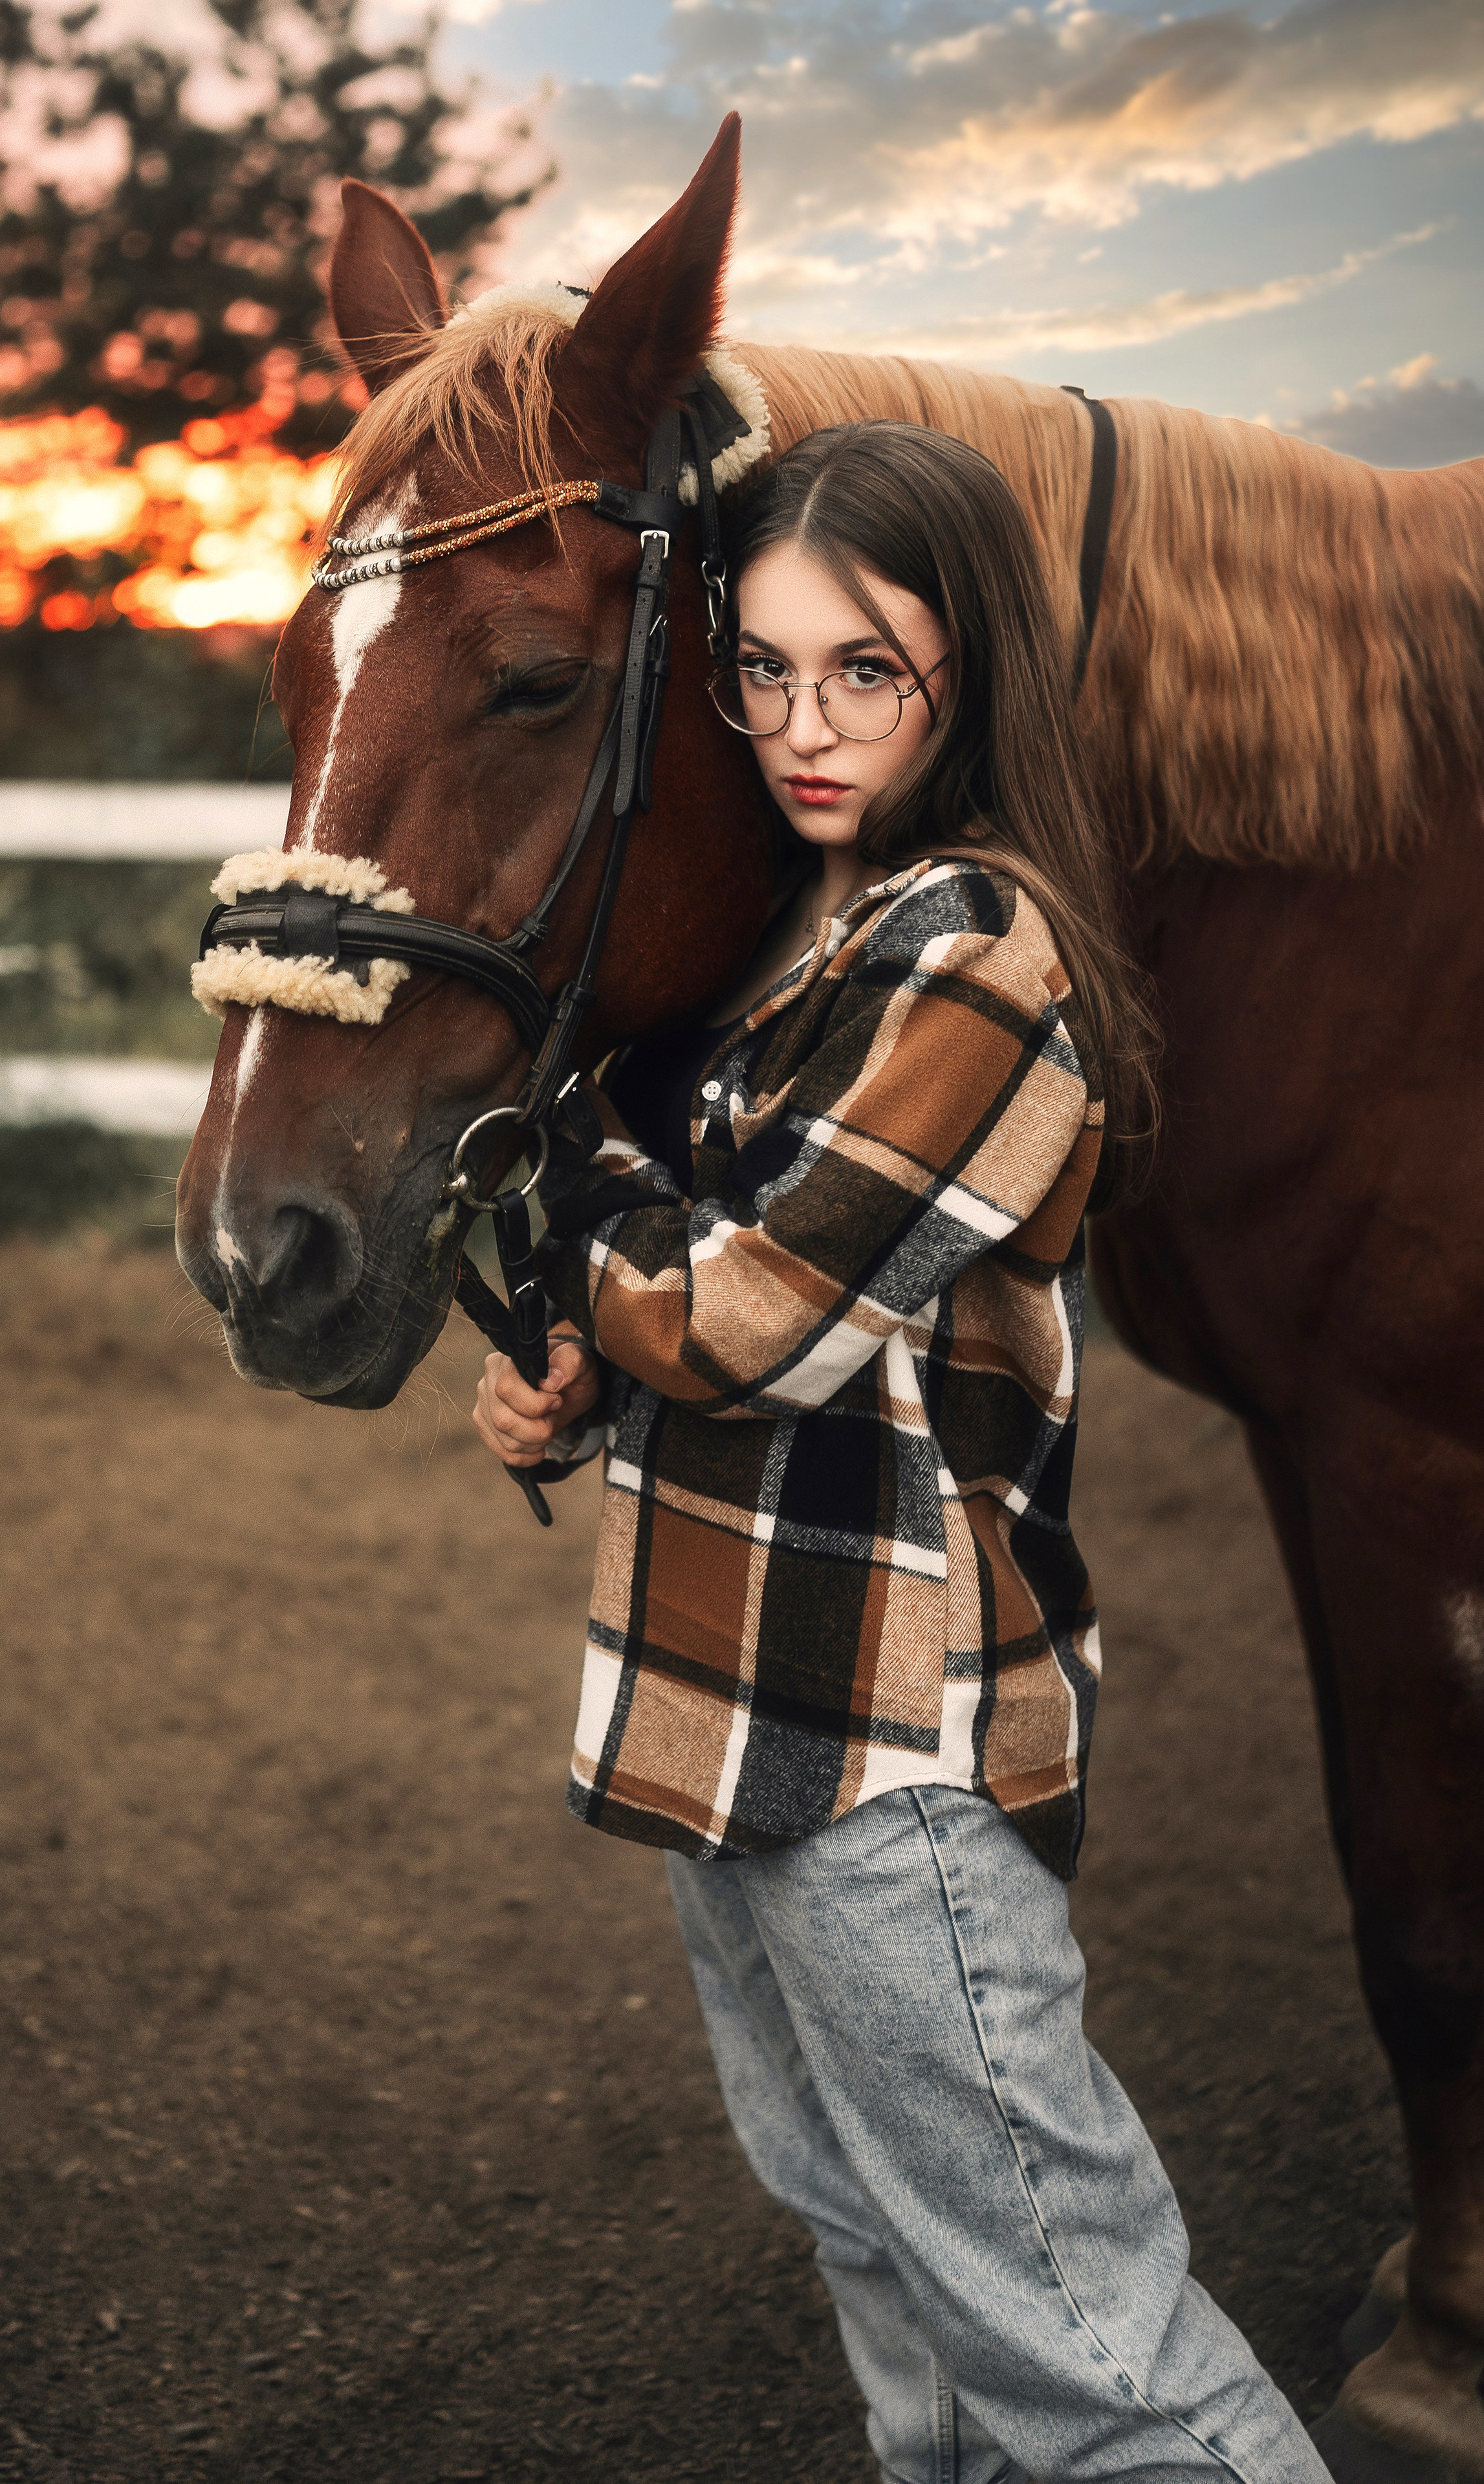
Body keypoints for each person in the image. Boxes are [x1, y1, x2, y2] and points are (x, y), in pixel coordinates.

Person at [471, 421, 1327, 2484]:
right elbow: (718, 1302)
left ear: (977, 665)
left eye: (865, 670)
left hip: (890, 1759)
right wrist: (574, 1372)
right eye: (760, 673)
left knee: (1084, 2351)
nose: (802, 727)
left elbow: (748, 1320)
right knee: (888, 2270)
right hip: (730, 1705)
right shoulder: (798, 935)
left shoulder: (979, 954)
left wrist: (553, 1166)